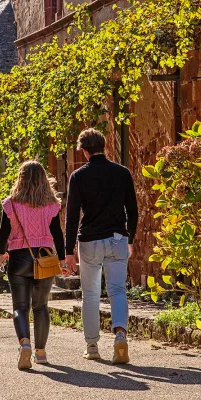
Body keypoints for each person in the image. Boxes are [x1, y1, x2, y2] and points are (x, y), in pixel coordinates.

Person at [65, 128, 138, 364]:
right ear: (104, 146)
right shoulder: (122, 172)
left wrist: (68, 251)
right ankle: (119, 335)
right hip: (117, 237)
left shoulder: (78, 176)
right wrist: (130, 239)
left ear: (84, 151)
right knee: (117, 289)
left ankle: (92, 345)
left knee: (91, 294)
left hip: (90, 240)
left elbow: (72, 216)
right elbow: (133, 211)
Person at [0, 160, 67, 370]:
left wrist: (2, 254)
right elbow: (57, 234)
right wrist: (62, 259)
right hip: (44, 259)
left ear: (21, 179)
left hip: (18, 259)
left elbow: (3, 234)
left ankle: (24, 343)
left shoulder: (11, 204)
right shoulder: (51, 205)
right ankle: (41, 353)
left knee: (20, 307)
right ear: (44, 180)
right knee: (41, 307)